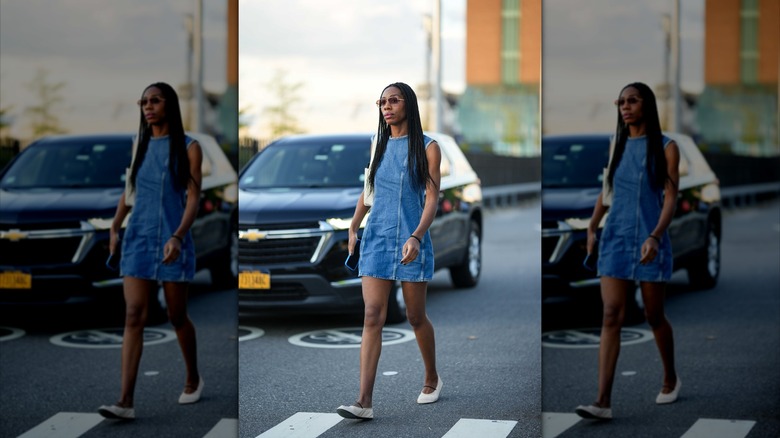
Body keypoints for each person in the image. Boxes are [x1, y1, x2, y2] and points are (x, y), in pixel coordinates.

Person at [575, 82, 681, 420]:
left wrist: (655, 235)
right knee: (610, 315)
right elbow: (606, 191)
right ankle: (602, 401)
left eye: (632, 101)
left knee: (653, 315)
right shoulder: (616, 145)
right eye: (621, 102)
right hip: (616, 239)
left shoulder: (667, 147)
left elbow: (670, 197)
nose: (625, 107)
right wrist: (592, 226)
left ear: (646, 105)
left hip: (650, 241)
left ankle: (670, 377)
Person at [336, 82, 442, 420]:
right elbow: (369, 190)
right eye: (382, 101)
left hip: (411, 241)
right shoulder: (377, 144)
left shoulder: (429, 147)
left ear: (408, 105)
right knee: (372, 316)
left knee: (414, 316)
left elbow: (432, 198)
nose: (387, 106)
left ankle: (432, 377)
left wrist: (417, 235)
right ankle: (363, 401)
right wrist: (354, 226)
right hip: (378, 239)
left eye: (393, 100)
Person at [98, 82, 204, 420]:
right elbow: (129, 190)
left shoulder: (190, 147)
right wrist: (115, 226)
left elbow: (193, 197)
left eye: (155, 101)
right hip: (138, 239)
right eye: (144, 102)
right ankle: (125, 401)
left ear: (169, 106)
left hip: (172, 241)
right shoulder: (138, 145)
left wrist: (177, 235)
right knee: (133, 316)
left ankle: (193, 377)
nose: (148, 107)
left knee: (176, 316)